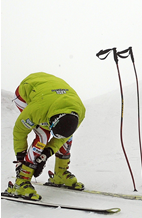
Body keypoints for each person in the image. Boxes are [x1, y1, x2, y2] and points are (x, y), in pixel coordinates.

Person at [3, 72, 86, 201]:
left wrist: (45, 154)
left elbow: (62, 138)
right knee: (43, 135)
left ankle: (60, 173)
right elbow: (19, 132)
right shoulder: (37, 110)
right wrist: (21, 157)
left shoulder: (80, 112)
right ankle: (21, 182)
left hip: (51, 95)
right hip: (27, 92)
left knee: (67, 136)